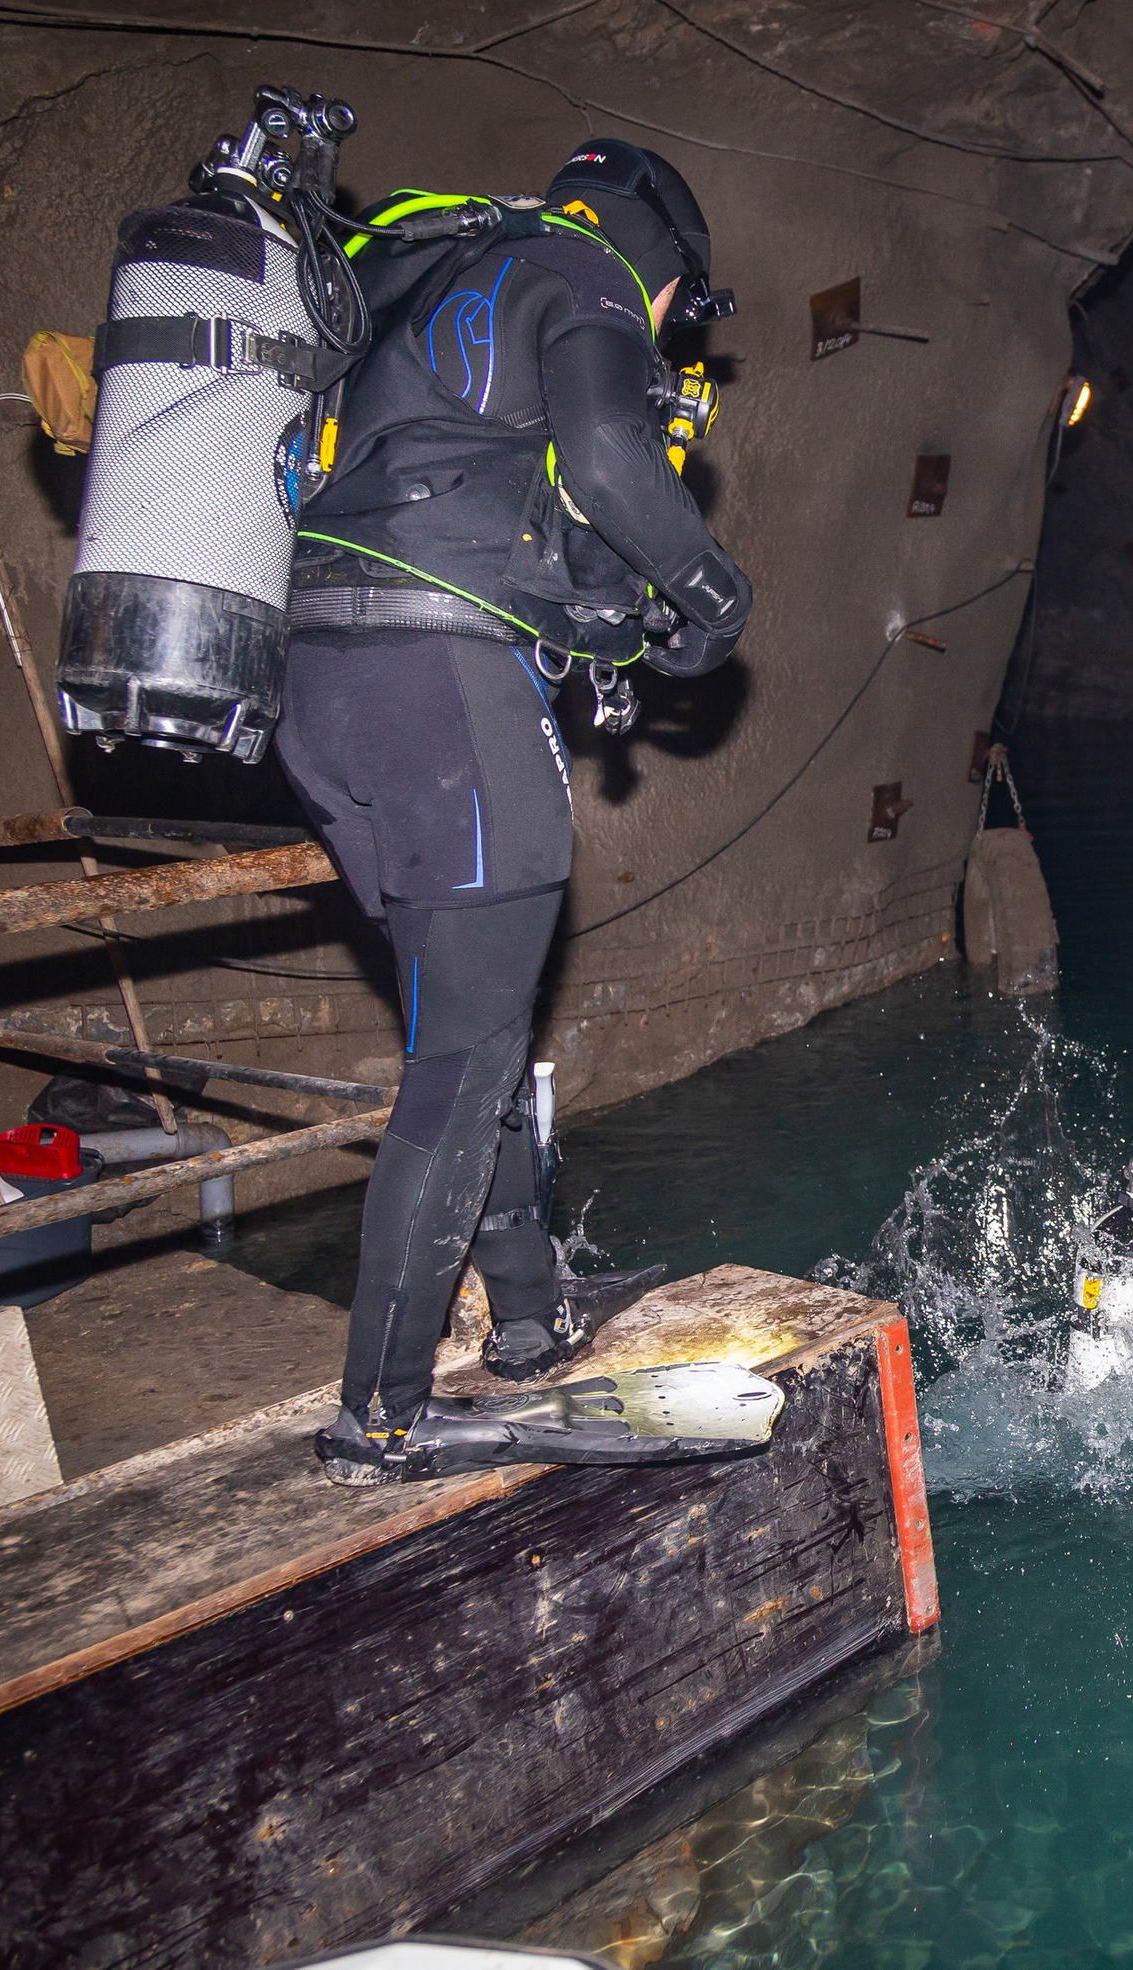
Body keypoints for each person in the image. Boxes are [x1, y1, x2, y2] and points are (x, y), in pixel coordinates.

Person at [275, 140, 753, 1483]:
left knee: (464, 1025)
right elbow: (609, 460)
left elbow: (526, 510)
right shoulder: (581, 270)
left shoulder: (431, 285)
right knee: (462, 1068)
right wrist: (716, 599)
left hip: (322, 696)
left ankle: (531, 1317)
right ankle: (380, 1416)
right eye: (679, 311)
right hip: (446, 701)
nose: (664, 331)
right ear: (660, 258)